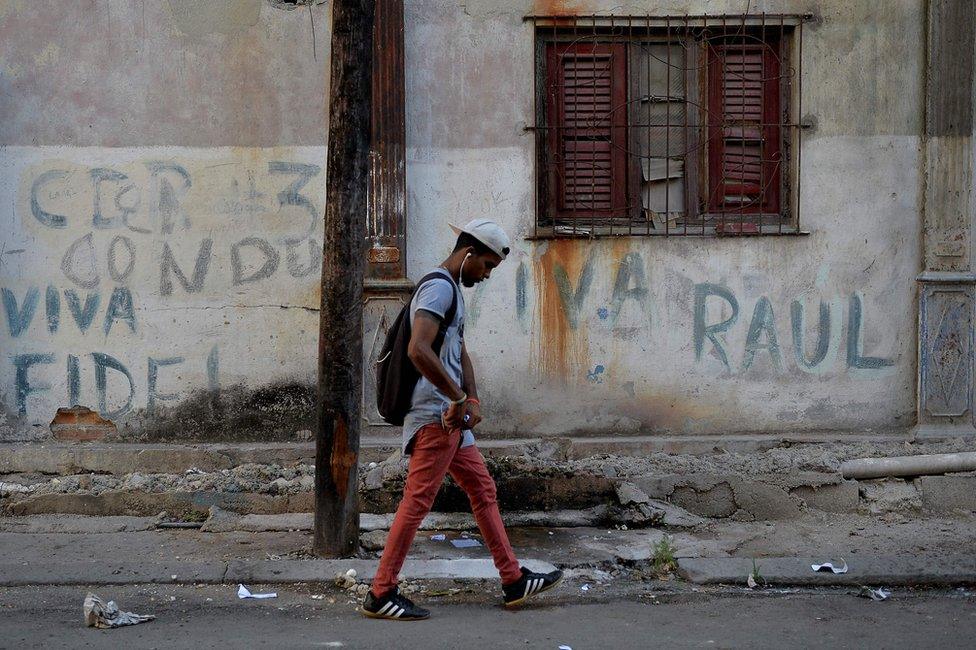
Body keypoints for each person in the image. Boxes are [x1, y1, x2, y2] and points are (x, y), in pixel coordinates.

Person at [361, 219, 563, 621]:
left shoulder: (453, 290)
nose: (486, 275)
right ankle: (381, 591)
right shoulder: (438, 286)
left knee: (483, 490)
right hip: (438, 417)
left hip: (453, 414)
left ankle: (512, 579)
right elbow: (419, 350)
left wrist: (471, 396)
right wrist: (456, 398)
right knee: (417, 503)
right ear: (469, 253)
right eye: (486, 266)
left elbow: (459, 350)